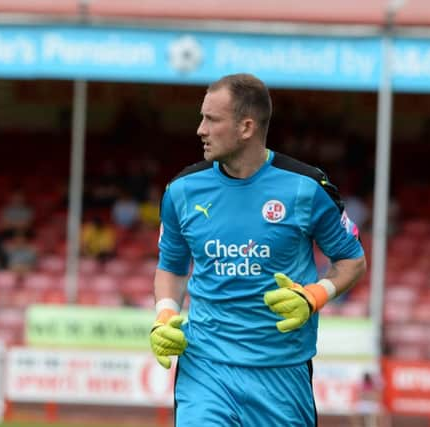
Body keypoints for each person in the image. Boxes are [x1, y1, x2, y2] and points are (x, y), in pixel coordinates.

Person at [148, 73, 367, 426]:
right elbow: (171, 266)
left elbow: (352, 260)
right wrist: (164, 315)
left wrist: (314, 295)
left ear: (246, 127)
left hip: (281, 374)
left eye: (212, 119)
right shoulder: (182, 190)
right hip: (205, 368)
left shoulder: (307, 189)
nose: (200, 130)